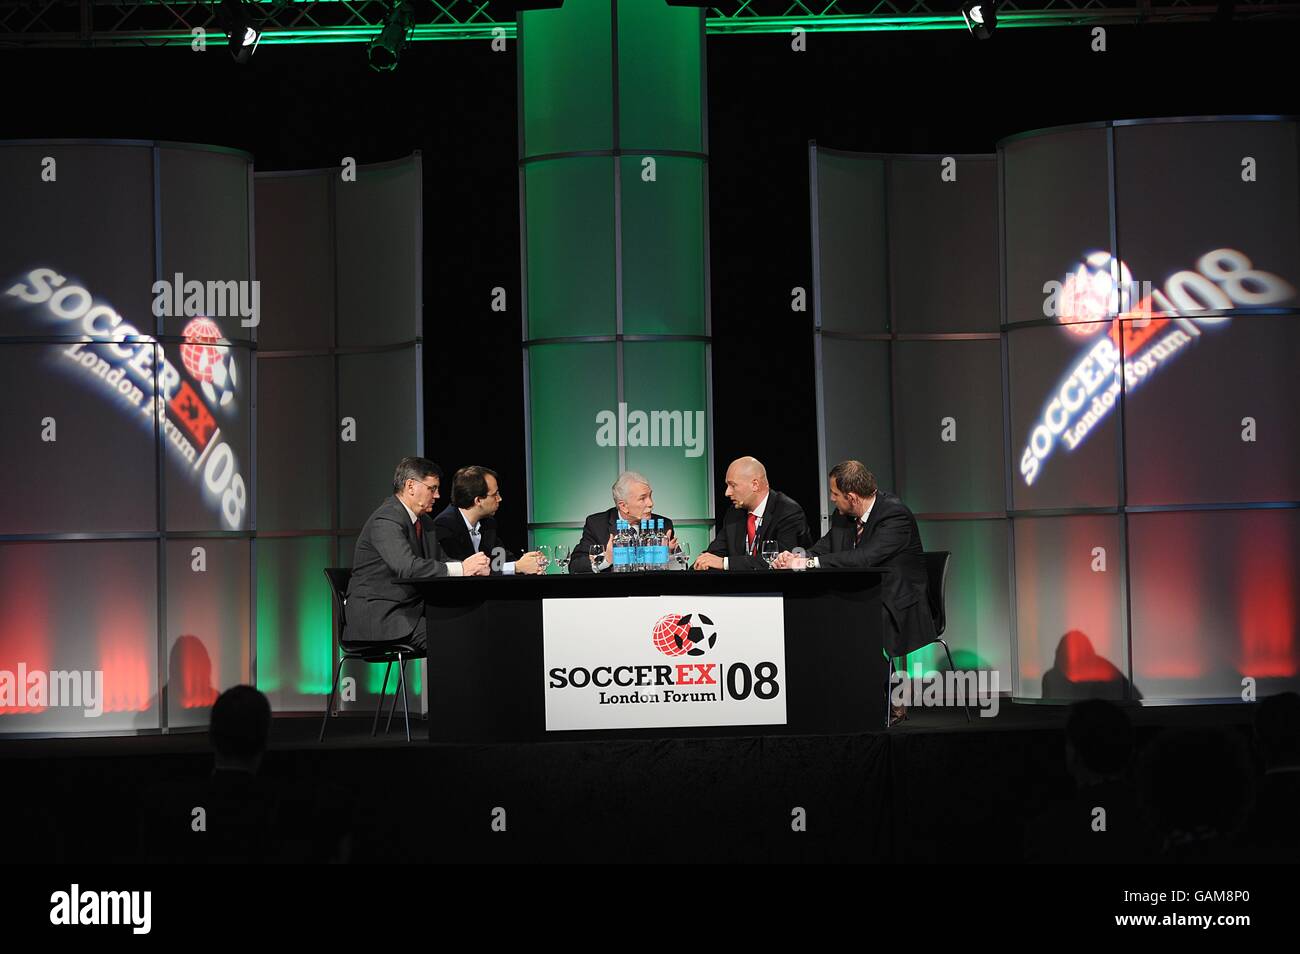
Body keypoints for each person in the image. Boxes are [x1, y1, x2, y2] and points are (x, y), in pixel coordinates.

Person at [773, 460, 935, 723]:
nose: (832, 499)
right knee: (826, 610)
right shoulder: (845, 516)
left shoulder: (895, 515)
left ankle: (888, 699)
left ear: (851, 497)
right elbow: (825, 548)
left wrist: (808, 563)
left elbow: (864, 558)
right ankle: (841, 695)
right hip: (866, 594)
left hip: (900, 599)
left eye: (835, 495)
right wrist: (795, 557)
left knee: (857, 622)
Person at [345, 457, 489, 652]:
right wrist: (462, 568)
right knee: (454, 636)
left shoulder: (426, 522)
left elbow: (441, 561)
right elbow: (408, 568)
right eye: (432, 488)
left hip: (411, 611)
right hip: (381, 618)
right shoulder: (386, 519)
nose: (437, 495)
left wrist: (472, 568)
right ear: (411, 486)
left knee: (471, 625)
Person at [694, 456, 811, 570]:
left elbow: (780, 561)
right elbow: (715, 552)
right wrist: (701, 563)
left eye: (733, 485)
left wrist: (725, 563)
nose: (727, 492)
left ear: (755, 485)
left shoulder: (788, 512)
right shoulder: (734, 513)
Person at [432, 465, 542, 574]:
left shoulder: (488, 523)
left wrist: (524, 562)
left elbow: (501, 559)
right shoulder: (445, 526)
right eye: (495, 495)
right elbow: (466, 571)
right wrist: (516, 567)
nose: (500, 498)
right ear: (478, 500)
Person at [569, 470, 676, 573]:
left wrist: (669, 557)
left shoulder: (663, 525)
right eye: (642, 498)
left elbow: (681, 566)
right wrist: (606, 559)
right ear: (623, 506)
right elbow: (575, 565)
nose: (651, 503)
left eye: (650, 496)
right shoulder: (597, 524)